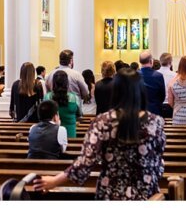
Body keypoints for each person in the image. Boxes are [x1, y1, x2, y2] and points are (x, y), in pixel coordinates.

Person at [34, 67, 167, 200]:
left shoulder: (103, 122)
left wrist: (54, 181)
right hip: (146, 194)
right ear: (141, 92)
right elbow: (158, 162)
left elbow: (85, 163)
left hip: (112, 193)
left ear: (116, 91)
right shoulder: (156, 123)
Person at [46, 70, 83, 137]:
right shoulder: (74, 97)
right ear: (66, 83)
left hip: (51, 135)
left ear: (54, 82)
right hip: (69, 134)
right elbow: (79, 114)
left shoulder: (47, 97)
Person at [138, 51, 167, 117]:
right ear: (151, 61)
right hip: (155, 111)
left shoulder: (134, 75)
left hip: (139, 112)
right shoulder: (158, 76)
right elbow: (162, 95)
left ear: (140, 61)